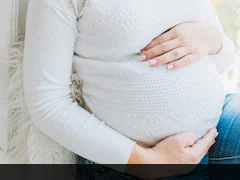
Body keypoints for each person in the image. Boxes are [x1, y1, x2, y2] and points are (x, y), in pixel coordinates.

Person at [23, 0, 239, 179]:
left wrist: (211, 38)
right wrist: (147, 163)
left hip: (216, 128)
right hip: (129, 163)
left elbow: (223, 59)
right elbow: (47, 103)